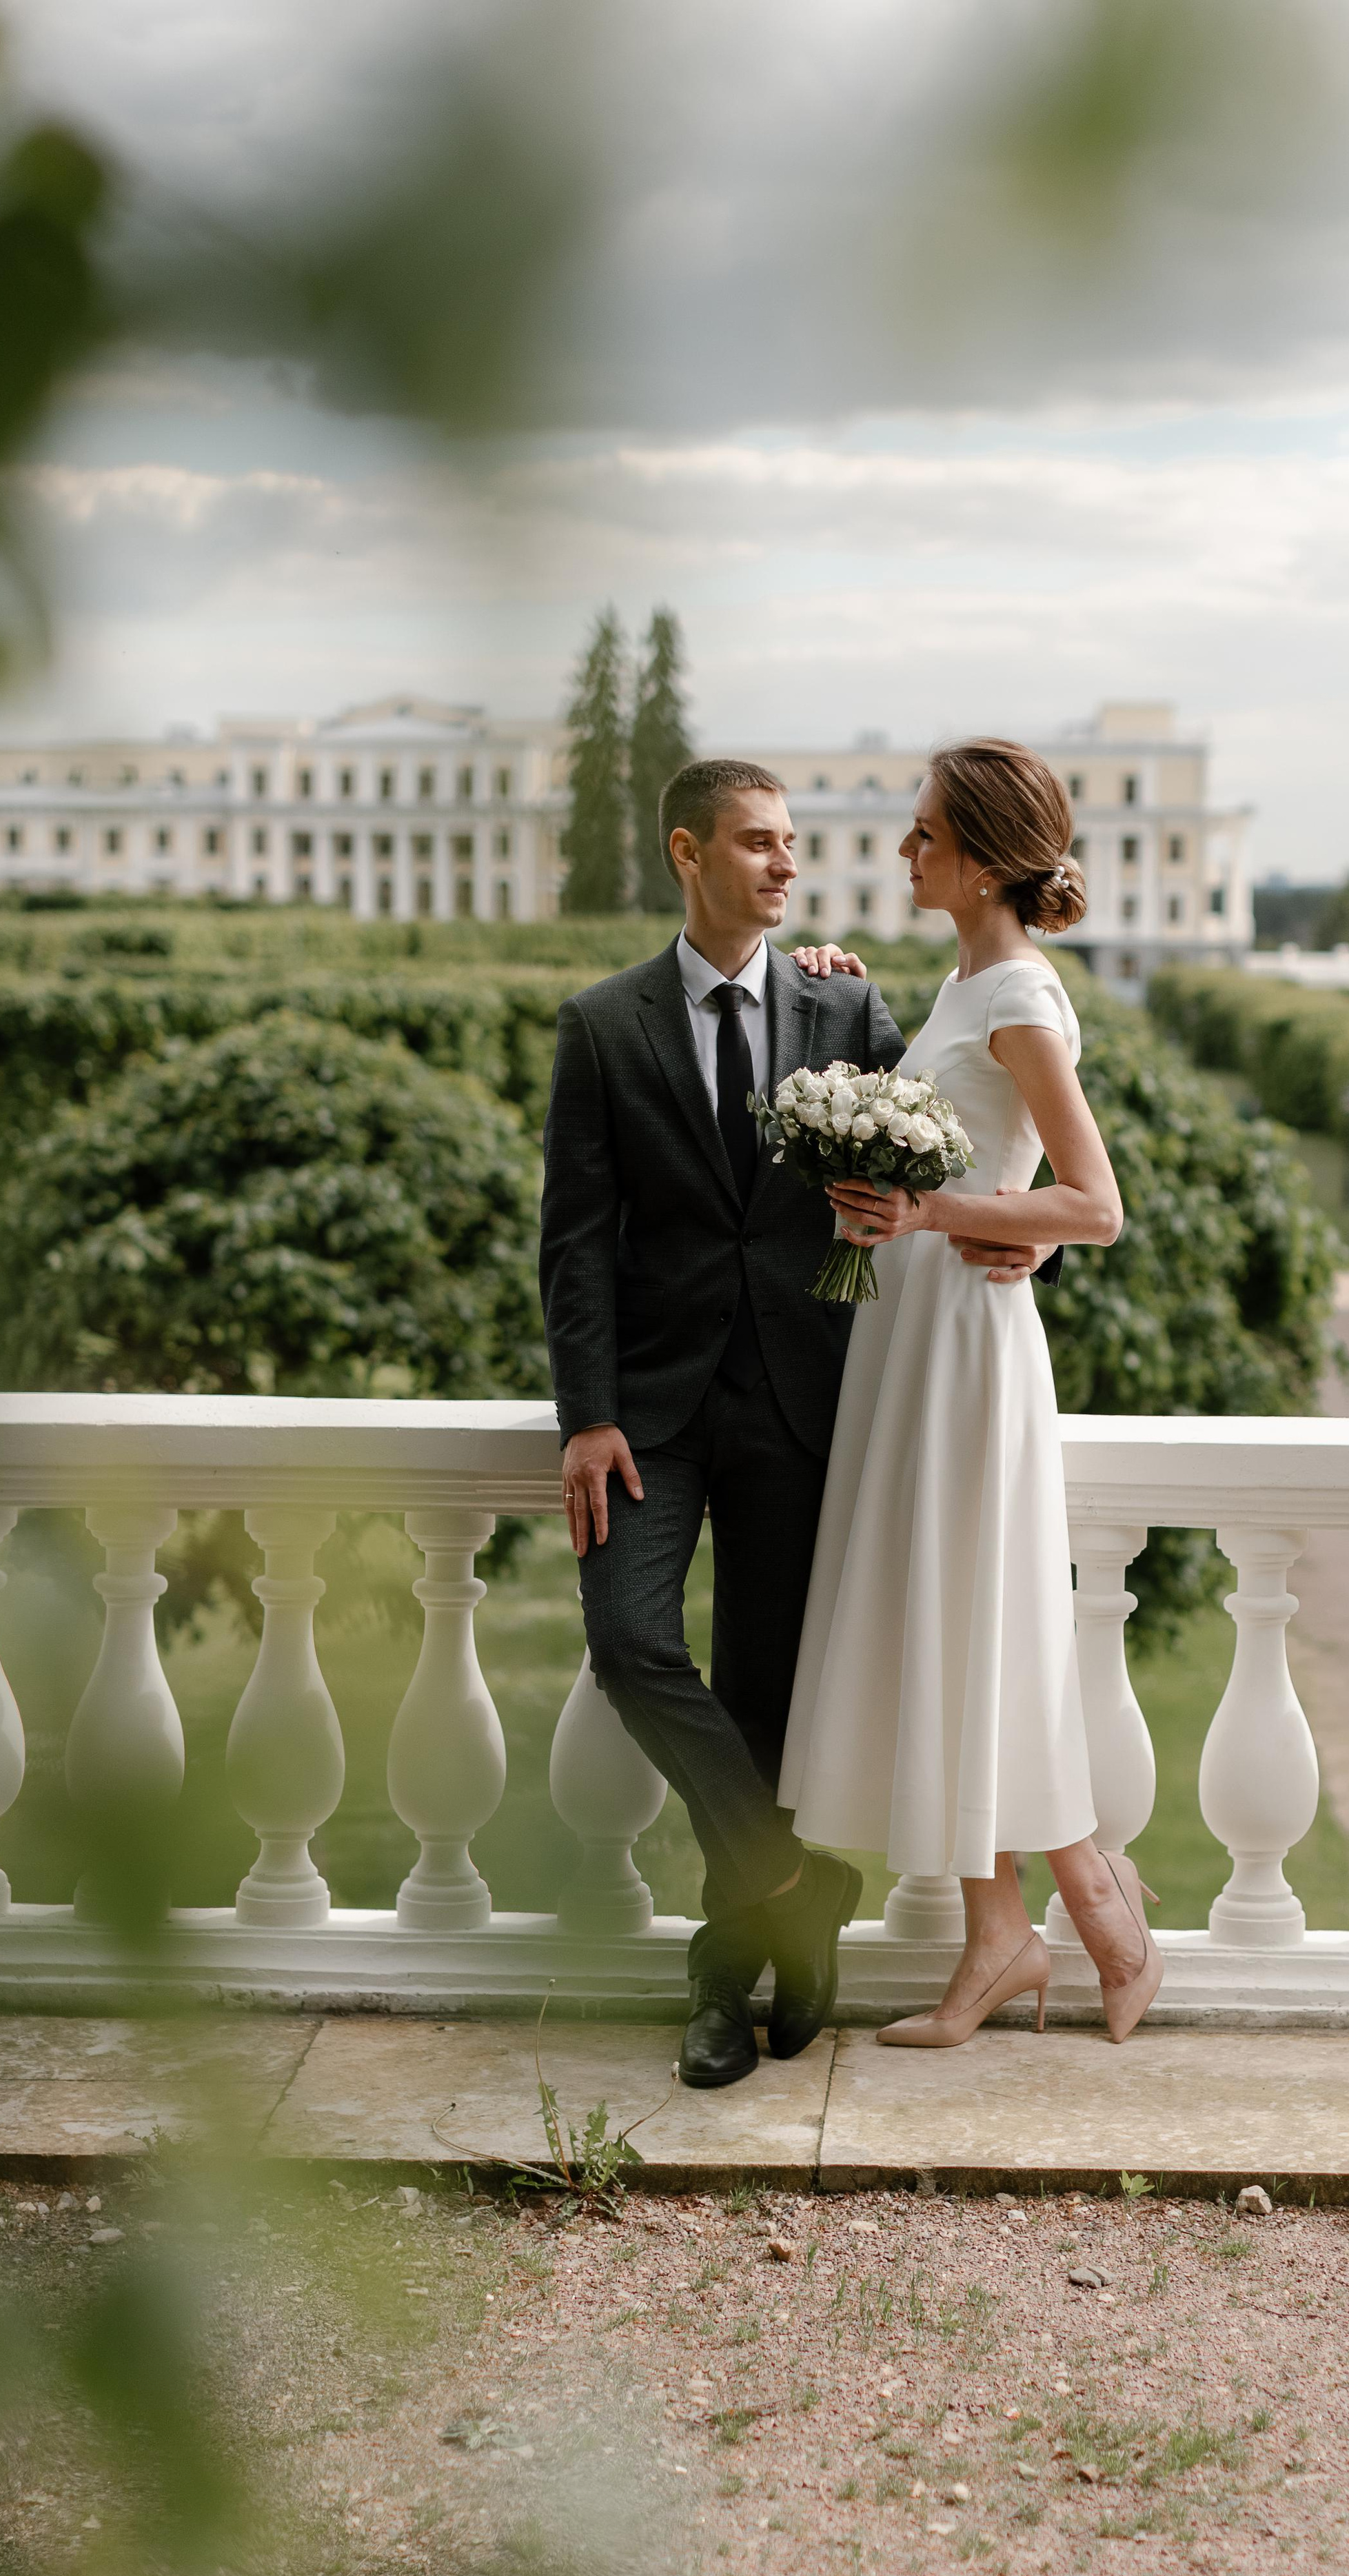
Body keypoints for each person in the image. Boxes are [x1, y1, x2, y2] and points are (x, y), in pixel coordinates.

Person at [538, 758, 1053, 2088]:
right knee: (629, 1640)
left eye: (791, 845)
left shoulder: (843, 998)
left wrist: (1029, 1238)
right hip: (651, 1415)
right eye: (757, 844)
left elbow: (947, 1134)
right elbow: (578, 1243)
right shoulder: (604, 1026)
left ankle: (733, 1975)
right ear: (686, 853)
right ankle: (789, 1878)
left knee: (767, 1698)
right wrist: (587, 1417)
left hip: (805, 1398)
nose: (783, 864)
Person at [780, 738, 1164, 2047]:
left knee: (979, 1614)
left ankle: (1084, 1917)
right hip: (919, 1333)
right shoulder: (963, 984)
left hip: (966, 1343)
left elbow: (1095, 1204)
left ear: (988, 858)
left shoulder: (1019, 997)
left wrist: (929, 1209)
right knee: (951, 1618)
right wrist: (827, 984)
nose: (906, 850)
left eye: (928, 833)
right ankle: (1005, 1935)